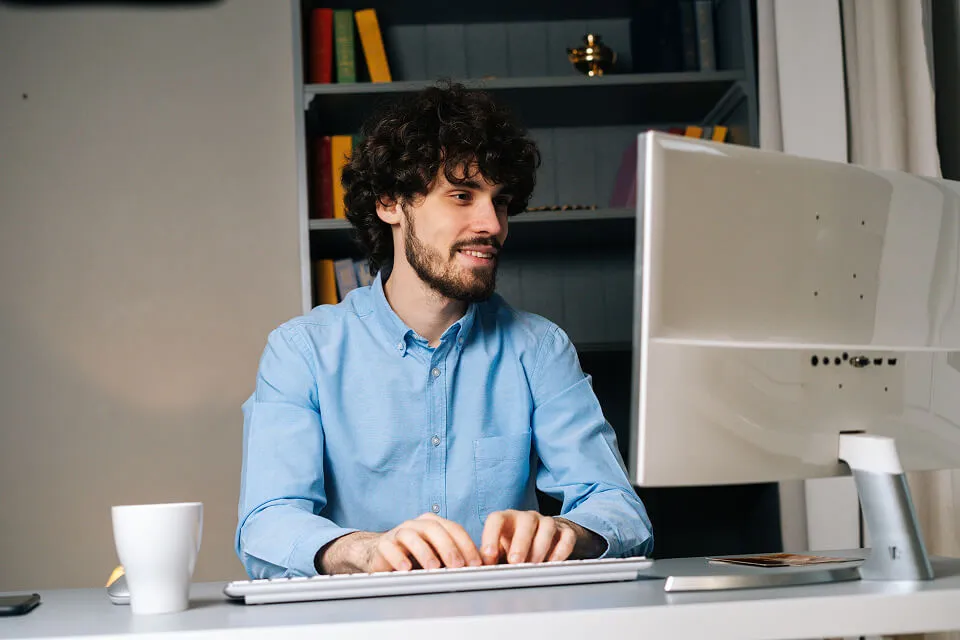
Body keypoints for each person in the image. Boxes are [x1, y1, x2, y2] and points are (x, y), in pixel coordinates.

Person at [235, 81, 653, 578]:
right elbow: (266, 522)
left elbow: (621, 510)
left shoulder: (539, 349)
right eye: (461, 195)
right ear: (390, 203)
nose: (492, 224)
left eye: (500, 202)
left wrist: (570, 533)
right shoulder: (301, 351)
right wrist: (365, 550)